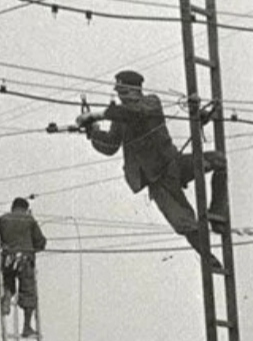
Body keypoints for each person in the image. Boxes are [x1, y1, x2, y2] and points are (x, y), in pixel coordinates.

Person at [77, 70, 224, 270]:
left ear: (133, 90)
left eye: (122, 91)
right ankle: (210, 260)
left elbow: (136, 113)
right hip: (156, 178)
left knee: (218, 160)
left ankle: (216, 212)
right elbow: (111, 146)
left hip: (174, 164)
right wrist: (93, 133)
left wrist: (95, 115)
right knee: (184, 221)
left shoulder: (150, 102)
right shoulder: (121, 116)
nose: (120, 96)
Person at [0, 197, 47, 337]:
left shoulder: (2, 219)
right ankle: (27, 327)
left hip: (8, 259)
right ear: (26, 209)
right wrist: (33, 249)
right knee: (28, 293)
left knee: (8, 282)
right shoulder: (29, 220)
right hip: (25, 260)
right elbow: (41, 242)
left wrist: (3, 243)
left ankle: (7, 299)